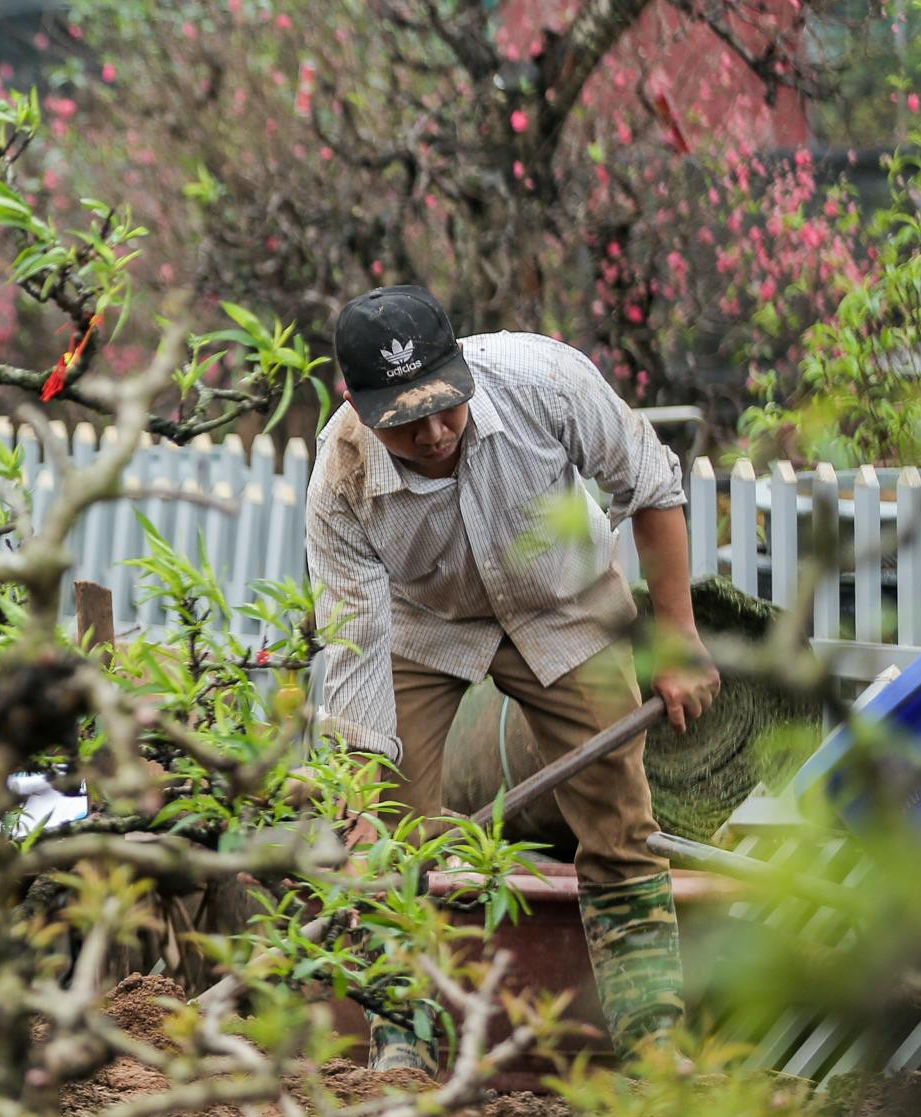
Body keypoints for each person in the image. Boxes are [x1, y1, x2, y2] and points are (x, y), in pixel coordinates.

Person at [304, 285, 721, 1070]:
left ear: (462, 369)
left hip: (562, 604)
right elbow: (354, 643)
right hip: (423, 626)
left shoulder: (544, 383)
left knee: (620, 823)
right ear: (356, 405)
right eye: (404, 419)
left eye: (446, 407)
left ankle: (654, 1041)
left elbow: (652, 486)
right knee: (389, 836)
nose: (432, 433)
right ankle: (405, 1041)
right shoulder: (340, 481)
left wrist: (678, 640)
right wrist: (359, 793)